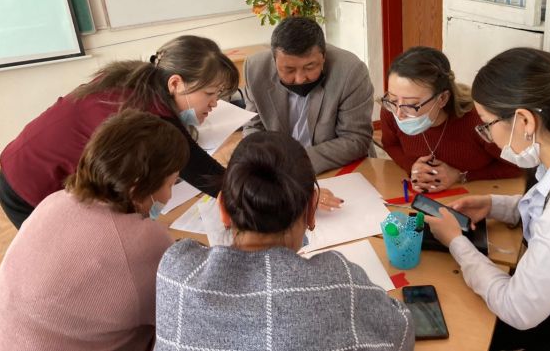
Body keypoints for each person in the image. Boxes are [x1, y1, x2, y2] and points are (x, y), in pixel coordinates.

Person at [155, 131, 415, 351]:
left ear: (222, 208)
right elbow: (403, 332)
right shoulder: (340, 280)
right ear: (311, 210)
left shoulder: (175, 270)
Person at [426, 48, 550, 351]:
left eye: (486, 124)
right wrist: (496, 205)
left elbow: (517, 309)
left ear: (525, 121)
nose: (488, 137)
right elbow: (548, 203)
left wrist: (456, 242)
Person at [0, 35, 238, 229]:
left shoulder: (139, 82)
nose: (214, 103)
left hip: (24, 161)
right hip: (29, 187)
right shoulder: (145, 115)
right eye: (209, 94)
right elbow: (204, 173)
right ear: (175, 83)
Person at [0, 110, 188, 351]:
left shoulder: (55, 200)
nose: (170, 195)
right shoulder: (145, 241)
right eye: (171, 183)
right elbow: (179, 316)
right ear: (137, 187)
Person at [243, 16, 375, 178]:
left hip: (337, 167)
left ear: (324, 56)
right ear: (274, 60)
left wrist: (295, 163)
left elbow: (355, 139)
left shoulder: (350, 71)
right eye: (289, 70)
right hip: (278, 171)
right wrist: (261, 160)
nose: (300, 79)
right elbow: (253, 128)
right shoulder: (255, 69)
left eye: (310, 67)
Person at [380, 46, 521, 193]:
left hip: (476, 195)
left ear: (442, 99)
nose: (399, 113)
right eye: (393, 99)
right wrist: (412, 167)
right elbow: (391, 144)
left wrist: (462, 176)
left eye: (412, 105)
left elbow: (517, 166)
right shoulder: (390, 110)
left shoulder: (480, 120)